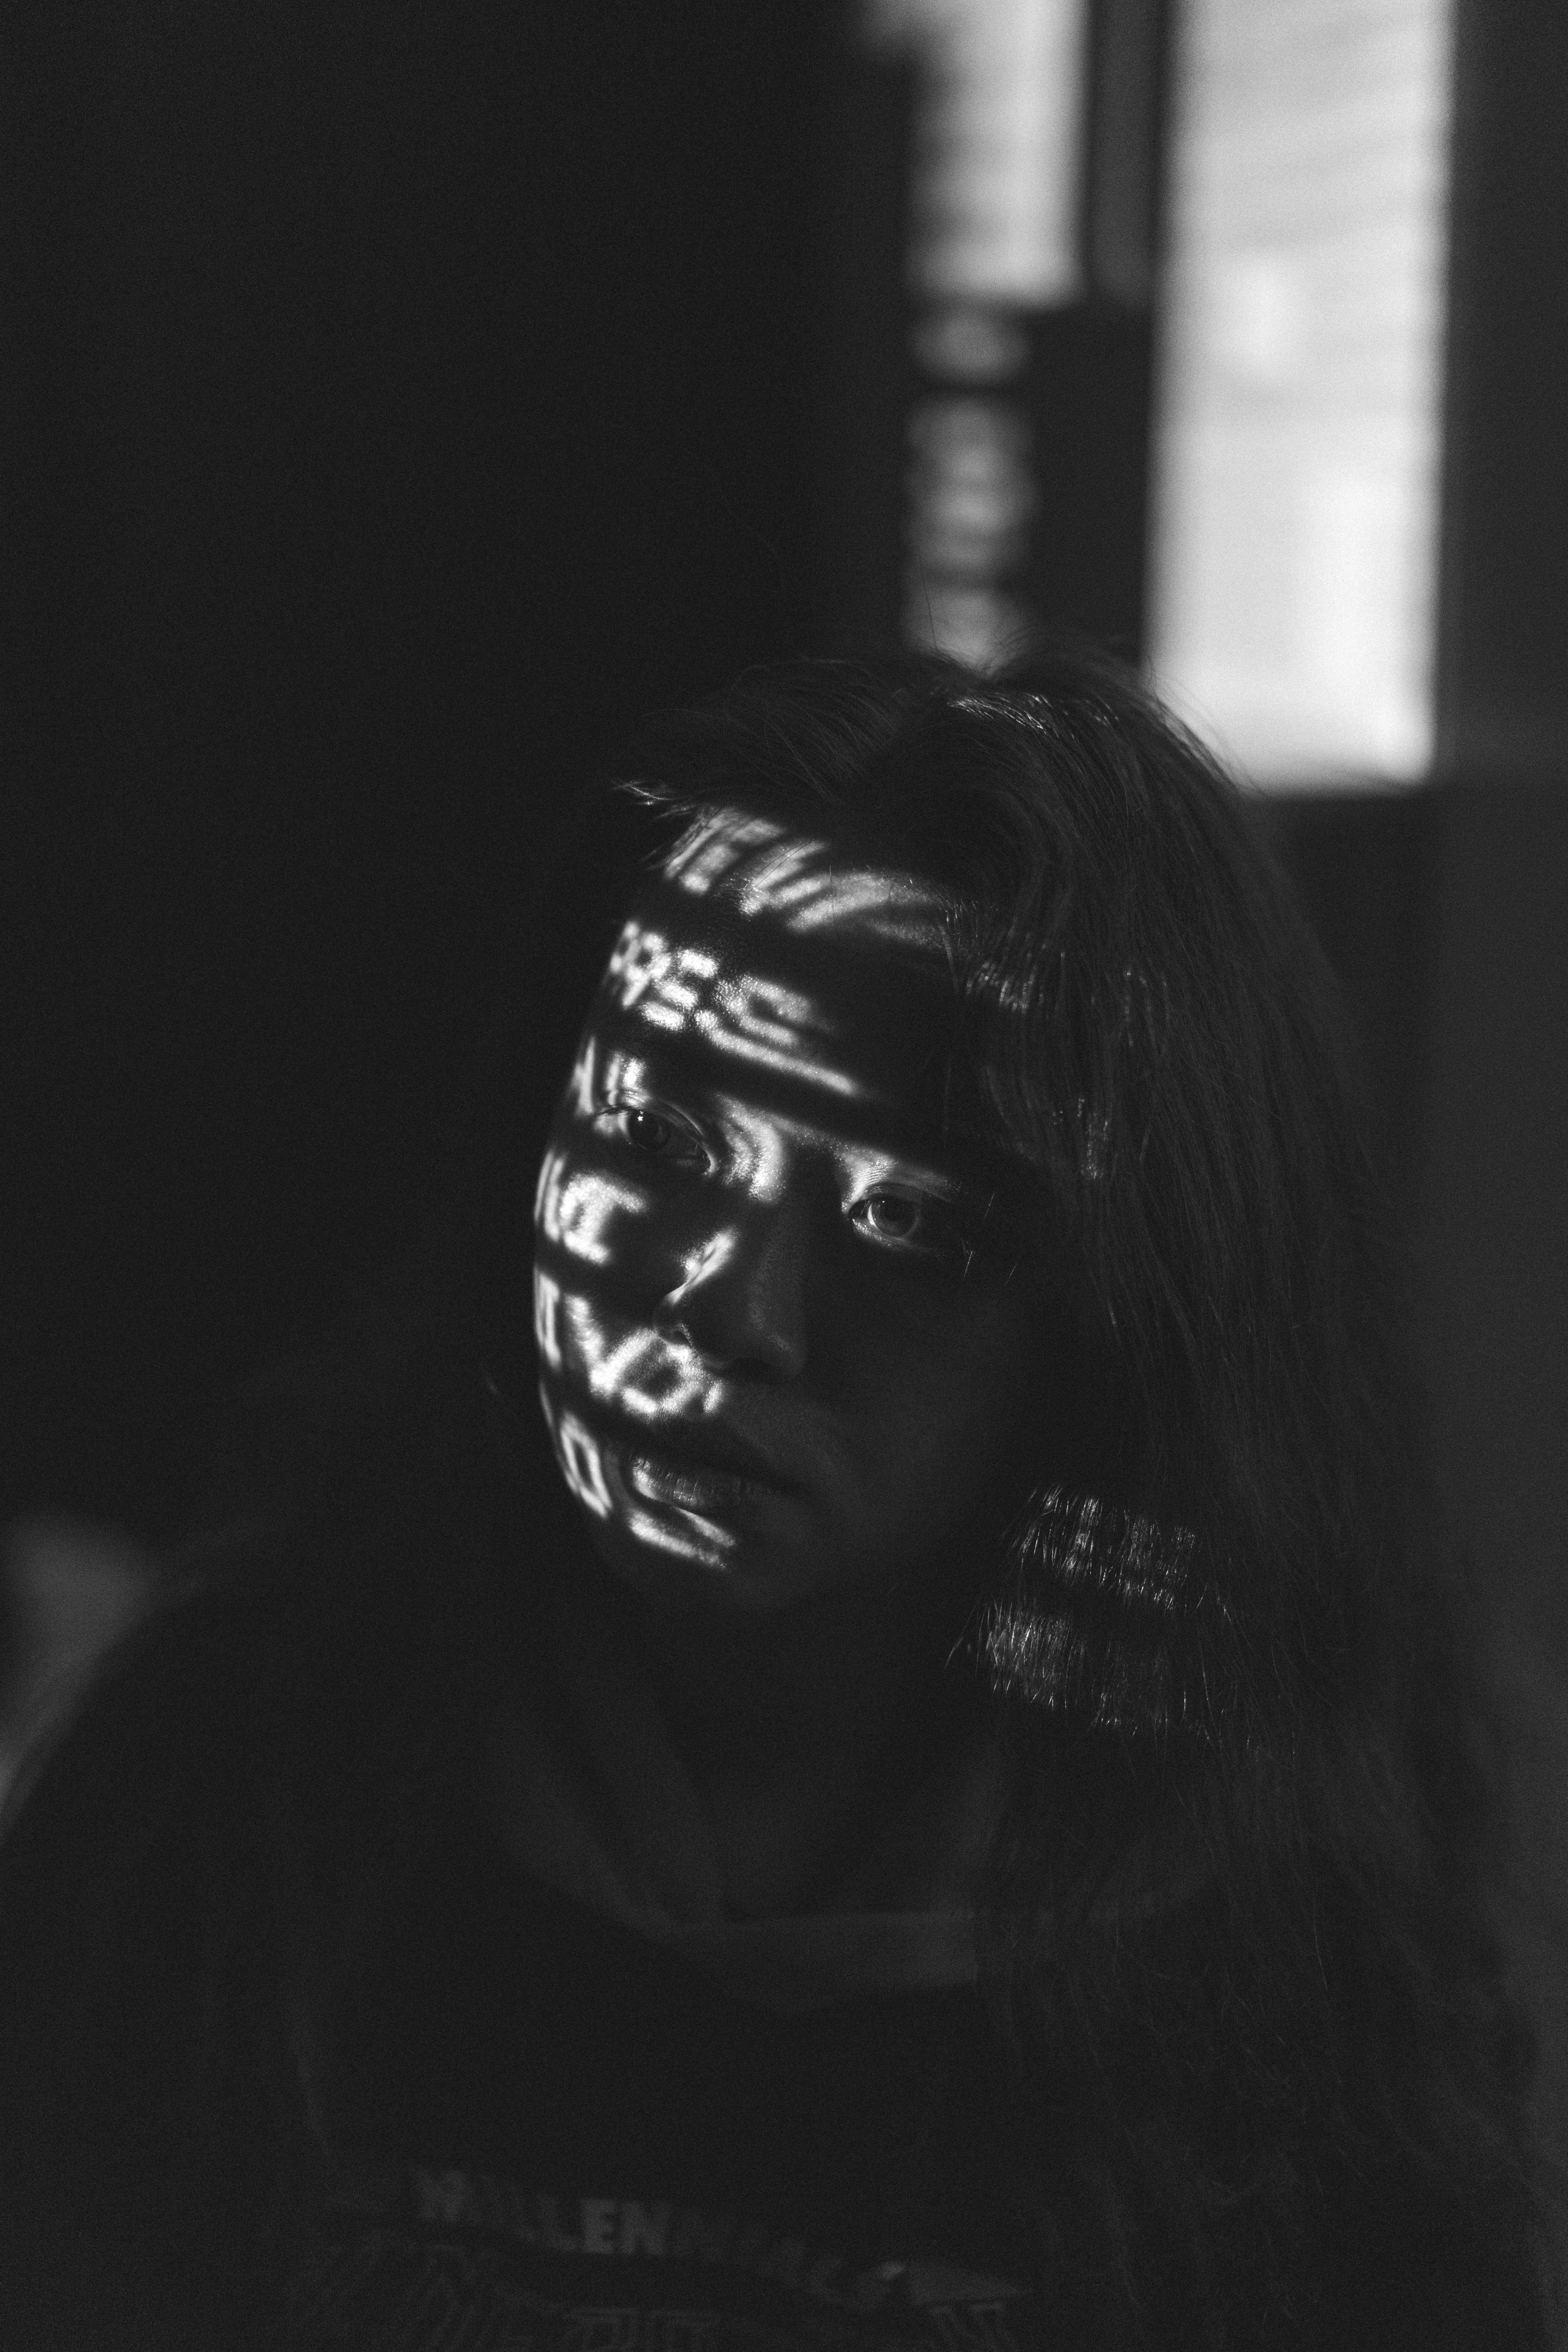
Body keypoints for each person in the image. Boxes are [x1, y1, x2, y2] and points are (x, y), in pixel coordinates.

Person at [0, 646, 1552, 2349]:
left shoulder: (1297, 1947)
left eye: (916, 1225)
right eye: (661, 1142)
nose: (737, 1311)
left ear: (1115, 1322)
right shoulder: (235, 1794)